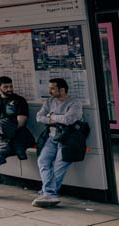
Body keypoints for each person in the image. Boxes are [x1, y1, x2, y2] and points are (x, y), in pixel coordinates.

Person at [33, 78, 84, 208]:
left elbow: (69, 119)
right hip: (51, 137)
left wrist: (51, 117)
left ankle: (48, 193)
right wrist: (55, 118)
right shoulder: (49, 101)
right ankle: (49, 193)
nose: (49, 91)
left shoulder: (74, 103)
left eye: (52, 88)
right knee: (42, 161)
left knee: (59, 166)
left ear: (62, 89)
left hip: (68, 139)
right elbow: (39, 117)